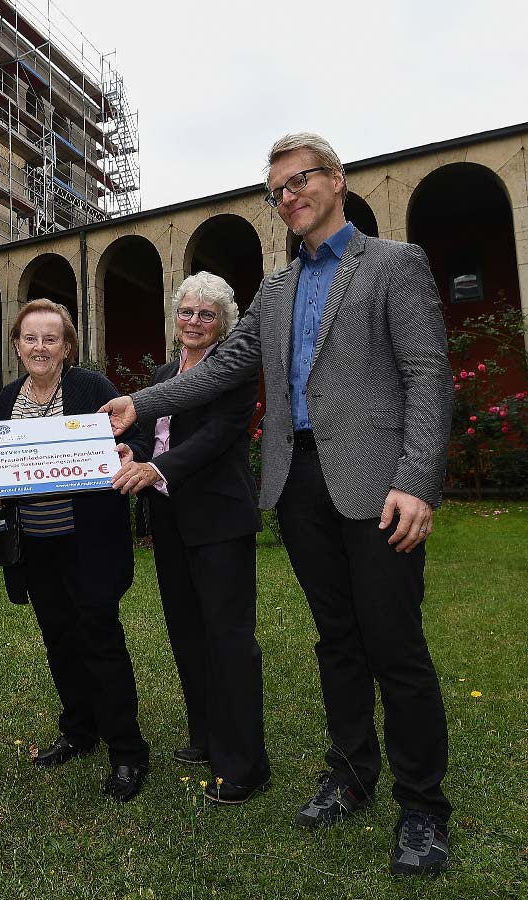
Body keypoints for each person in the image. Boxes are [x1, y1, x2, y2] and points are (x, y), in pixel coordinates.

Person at [102, 133, 454, 875]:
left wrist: (418, 480)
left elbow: (428, 376)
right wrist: (139, 400)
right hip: (298, 485)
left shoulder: (395, 264)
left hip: (378, 482)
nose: (288, 196)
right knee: (337, 640)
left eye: (299, 181)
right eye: (277, 190)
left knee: (396, 646)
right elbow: (223, 367)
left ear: (337, 180)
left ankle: (422, 807)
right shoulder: (276, 290)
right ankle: (351, 775)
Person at [0, 299, 150, 801]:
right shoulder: (6, 399)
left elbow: (135, 436)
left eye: (50, 338)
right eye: (30, 338)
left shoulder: (92, 389)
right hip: (36, 545)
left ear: (67, 347)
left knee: (99, 638)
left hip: (88, 543)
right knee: (58, 638)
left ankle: (127, 751)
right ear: (16, 345)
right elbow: (0, 468)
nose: (39, 347)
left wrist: (131, 452)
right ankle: (80, 730)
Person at [114, 272, 269, 804]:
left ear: (223, 323)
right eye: (187, 312)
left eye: (207, 314)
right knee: (186, 630)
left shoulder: (234, 369)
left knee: (229, 639)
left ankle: (244, 763)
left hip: (220, 519)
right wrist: (132, 455)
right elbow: (145, 432)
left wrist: (156, 470)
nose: (195, 322)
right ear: (175, 316)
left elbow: (217, 436)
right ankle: (205, 734)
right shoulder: (163, 372)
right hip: (170, 519)